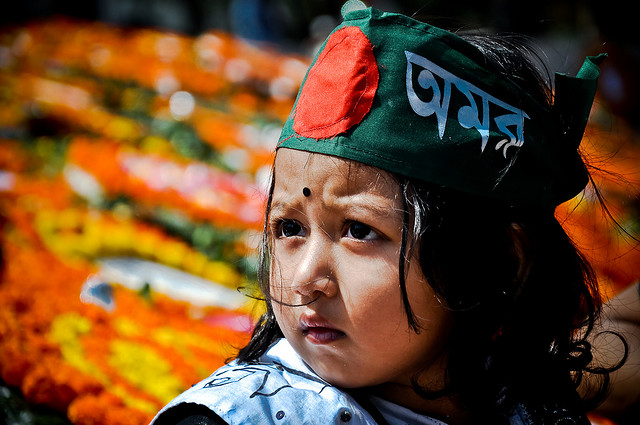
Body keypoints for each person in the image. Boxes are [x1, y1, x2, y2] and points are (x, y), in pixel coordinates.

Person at [150, 6, 631, 424]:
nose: (304, 279)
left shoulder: (531, 405)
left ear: (500, 262)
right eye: (289, 228)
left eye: (359, 230)